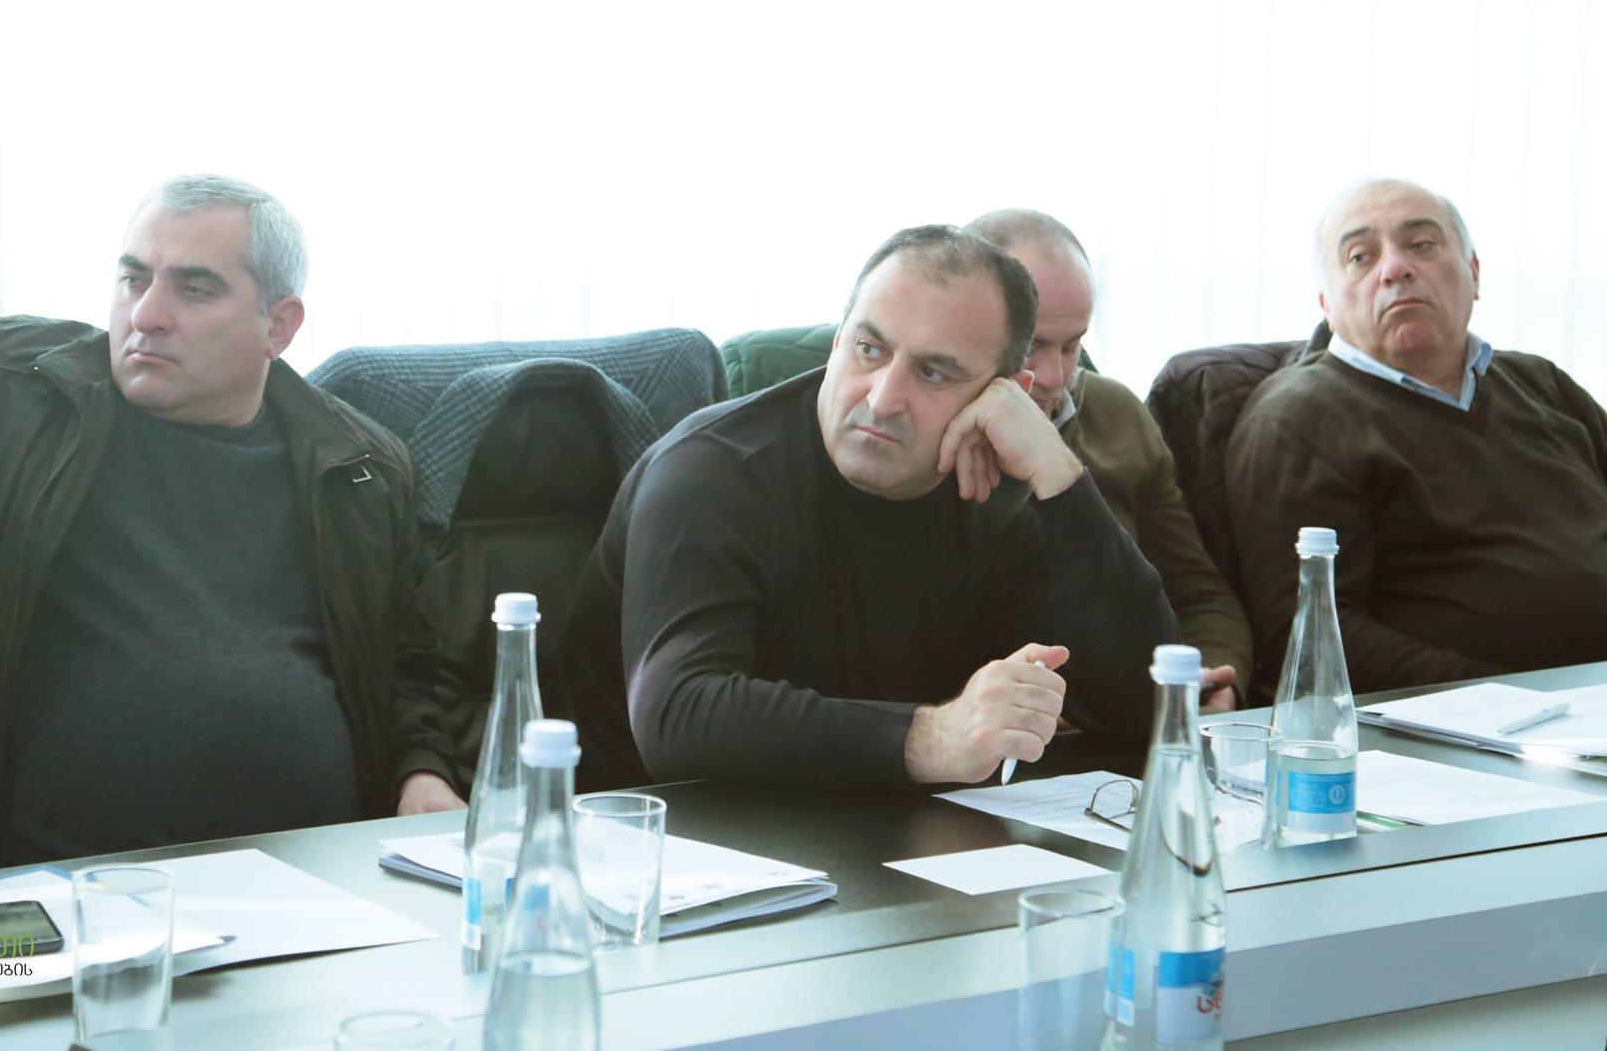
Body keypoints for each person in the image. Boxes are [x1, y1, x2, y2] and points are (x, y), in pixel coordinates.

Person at [0, 175, 456, 861]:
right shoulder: (3, 385)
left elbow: (405, 666)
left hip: (315, 876)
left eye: (195, 289)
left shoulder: (360, 468)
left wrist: (421, 770)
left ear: (279, 325)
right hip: (58, 881)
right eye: (134, 279)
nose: (147, 314)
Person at [562, 225, 1178, 792]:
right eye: (869, 349)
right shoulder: (712, 470)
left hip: (901, 836)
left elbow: (1150, 712)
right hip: (664, 841)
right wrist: (931, 738)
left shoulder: (999, 488)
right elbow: (678, 716)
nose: (883, 399)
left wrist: (1059, 476)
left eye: (933, 373)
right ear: (837, 343)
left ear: (1007, 396)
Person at [1225, 178, 1607, 695]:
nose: (1395, 268)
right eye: (1360, 257)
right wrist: (1512, 700)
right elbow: (1309, 636)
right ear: (1327, 303)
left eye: (1422, 244)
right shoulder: (1299, 420)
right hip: (1471, 718)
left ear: (1474, 273)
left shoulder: (1541, 383)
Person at [966, 209, 1253, 708]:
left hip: (1131, 721)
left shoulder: (1118, 414)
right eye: (1031, 347)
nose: (1054, 376)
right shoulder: (920, 436)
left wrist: (1209, 678)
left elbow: (1198, 594)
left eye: (1072, 345)